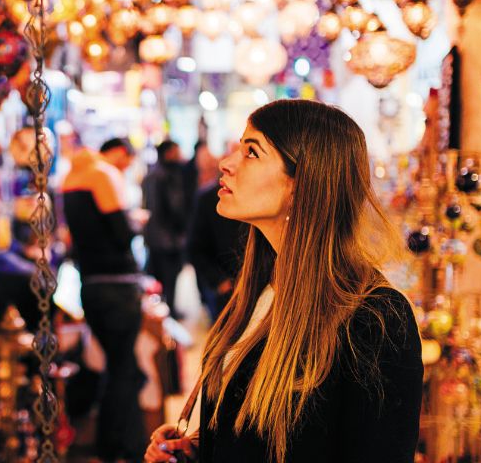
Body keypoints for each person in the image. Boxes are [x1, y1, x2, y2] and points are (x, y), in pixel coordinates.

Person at [145, 99, 423, 463]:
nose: (226, 164)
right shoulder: (260, 288)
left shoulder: (373, 318)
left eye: (251, 152)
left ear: (300, 183)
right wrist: (198, 448)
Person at [62, 137, 145, 462]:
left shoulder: (71, 177)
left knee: (120, 366)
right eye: (126, 161)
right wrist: (134, 223)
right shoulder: (102, 174)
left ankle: (119, 444)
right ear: (119, 153)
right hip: (117, 287)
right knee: (124, 369)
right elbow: (122, 234)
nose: (124, 168)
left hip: (92, 286)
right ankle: (118, 447)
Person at [187, 177, 248, 321]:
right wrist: (219, 281)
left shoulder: (258, 197)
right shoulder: (209, 198)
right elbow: (195, 247)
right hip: (228, 289)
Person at [142, 140, 188, 316]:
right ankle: (169, 313)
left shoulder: (151, 174)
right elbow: (174, 207)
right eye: (177, 151)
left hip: (155, 236)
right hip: (168, 238)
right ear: (168, 153)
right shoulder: (167, 175)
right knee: (169, 277)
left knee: (159, 277)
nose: (179, 155)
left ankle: (163, 312)